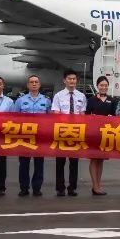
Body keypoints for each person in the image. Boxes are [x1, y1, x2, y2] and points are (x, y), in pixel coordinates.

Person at [51, 69, 88, 197]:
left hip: (76, 132)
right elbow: (56, 114)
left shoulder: (81, 96)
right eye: (69, 79)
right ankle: (60, 188)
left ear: (77, 80)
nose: (72, 81)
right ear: (64, 80)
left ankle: (72, 188)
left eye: (74, 79)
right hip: (62, 132)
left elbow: (82, 114)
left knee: (74, 162)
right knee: (60, 162)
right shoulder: (58, 96)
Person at [13, 75, 50, 197]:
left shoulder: (46, 101)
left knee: (39, 163)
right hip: (25, 136)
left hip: (40, 136)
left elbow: (50, 118)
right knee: (24, 163)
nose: (34, 84)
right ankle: (24, 188)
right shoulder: (20, 100)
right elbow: (14, 118)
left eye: (36, 82)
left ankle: (37, 187)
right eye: (31, 82)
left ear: (39, 85)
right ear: (28, 85)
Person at [86, 76, 116, 196]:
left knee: (101, 160)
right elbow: (86, 116)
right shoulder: (91, 100)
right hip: (94, 133)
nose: (103, 87)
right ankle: (94, 185)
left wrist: (112, 119)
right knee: (94, 159)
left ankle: (98, 184)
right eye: (101, 85)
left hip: (106, 134)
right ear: (97, 86)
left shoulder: (112, 100)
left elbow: (115, 116)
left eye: (105, 85)